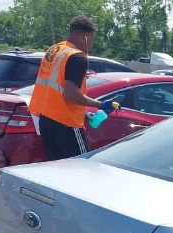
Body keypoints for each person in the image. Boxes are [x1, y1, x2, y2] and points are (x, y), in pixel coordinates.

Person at [29, 16, 117, 161]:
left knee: (58, 168)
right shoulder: (78, 57)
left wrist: (84, 114)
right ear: (86, 37)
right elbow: (70, 95)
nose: (91, 45)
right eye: (92, 40)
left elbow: (56, 91)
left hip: (46, 120)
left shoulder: (55, 50)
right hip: (66, 124)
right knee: (81, 165)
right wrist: (100, 104)